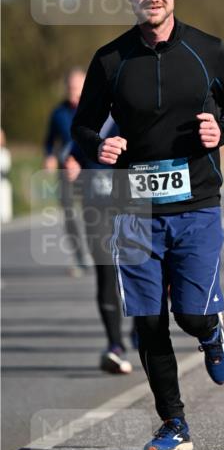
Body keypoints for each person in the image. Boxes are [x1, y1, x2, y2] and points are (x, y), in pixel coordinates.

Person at [72, 0, 224, 450]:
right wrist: (95, 144)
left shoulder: (208, 50)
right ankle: (174, 422)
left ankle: (211, 332)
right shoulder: (110, 59)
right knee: (148, 321)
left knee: (189, 313)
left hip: (196, 202)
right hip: (132, 207)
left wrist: (223, 130)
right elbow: (81, 124)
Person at [65, 117, 135, 375]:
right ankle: (114, 345)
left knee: (137, 271)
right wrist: (71, 165)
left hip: (131, 205)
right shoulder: (89, 118)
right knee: (106, 272)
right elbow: (74, 154)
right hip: (96, 209)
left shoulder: (132, 106)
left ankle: (141, 327)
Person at [44, 68, 90, 276]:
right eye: (70, 87)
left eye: (77, 87)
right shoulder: (58, 113)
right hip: (66, 170)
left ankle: (98, 253)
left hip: (90, 171)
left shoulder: (94, 109)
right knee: (69, 214)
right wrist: (50, 156)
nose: (73, 91)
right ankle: (79, 258)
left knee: (93, 214)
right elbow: (49, 141)